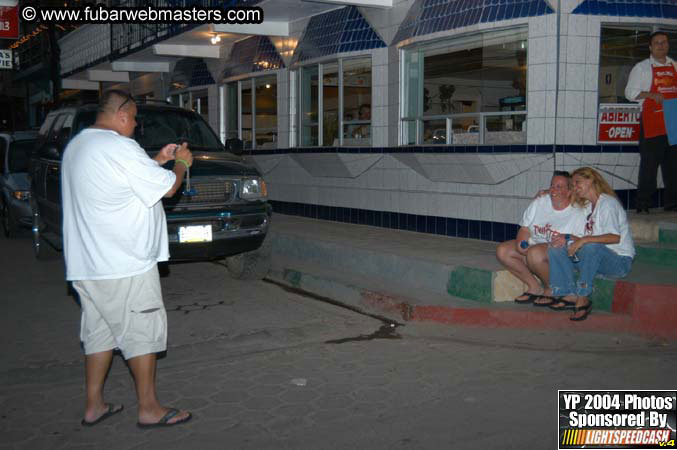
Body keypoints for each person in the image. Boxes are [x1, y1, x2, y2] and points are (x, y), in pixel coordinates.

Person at [61, 90, 193, 428]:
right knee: (141, 332)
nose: (135, 125)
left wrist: (158, 161)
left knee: (99, 334)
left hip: (89, 266)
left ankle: (94, 405)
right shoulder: (120, 147)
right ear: (121, 115)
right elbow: (168, 190)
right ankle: (149, 408)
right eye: (134, 118)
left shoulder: (78, 146)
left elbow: (120, 184)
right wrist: (180, 164)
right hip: (125, 265)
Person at [547, 168, 635, 321]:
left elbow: (614, 237)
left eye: (577, 182)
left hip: (619, 262)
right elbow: (581, 238)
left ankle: (583, 296)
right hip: (594, 257)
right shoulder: (588, 206)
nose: (574, 187)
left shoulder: (608, 204)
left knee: (590, 246)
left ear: (591, 180)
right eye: (572, 184)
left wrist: (584, 240)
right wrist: (567, 237)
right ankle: (569, 293)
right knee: (557, 247)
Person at [496, 171, 587, 305]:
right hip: (534, 248)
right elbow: (525, 228)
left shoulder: (578, 212)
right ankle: (534, 287)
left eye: (559, 187)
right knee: (503, 251)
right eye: (552, 185)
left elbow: (579, 241)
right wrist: (522, 243)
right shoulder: (541, 201)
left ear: (569, 191)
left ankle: (551, 289)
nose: (553, 190)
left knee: (535, 253)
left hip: (558, 254)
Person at [624, 31, 677, 213]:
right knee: (649, 167)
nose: (661, 45)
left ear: (668, 46)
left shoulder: (675, 66)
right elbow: (629, 93)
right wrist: (650, 94)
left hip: (673, 121)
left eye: (664, 42)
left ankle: (672, 204)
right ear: (650, 47)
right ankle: (643, 205)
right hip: (651, 121)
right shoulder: (642, 68)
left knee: (673, 166)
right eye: (657, 43)